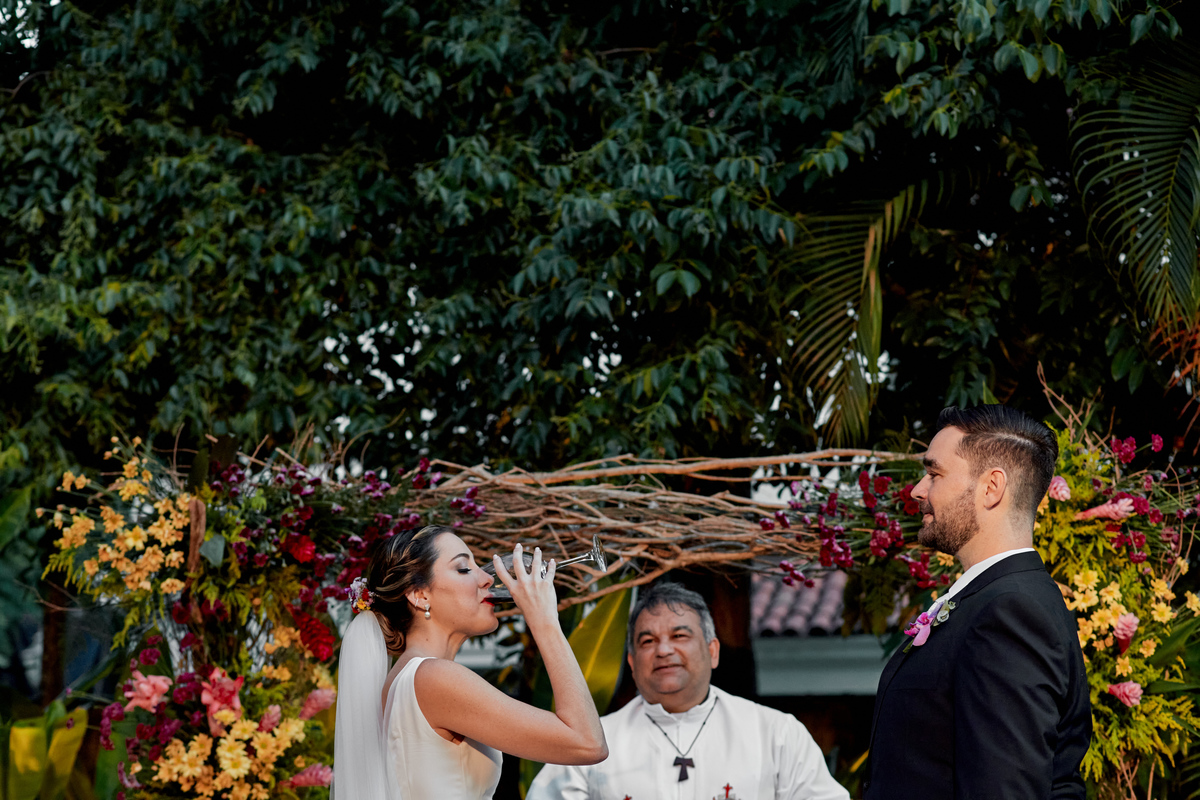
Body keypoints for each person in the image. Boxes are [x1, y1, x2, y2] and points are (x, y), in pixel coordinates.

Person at [864, 405, 1091, 799]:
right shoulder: (991, 599)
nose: (918, 489)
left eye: (934, 473)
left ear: (991, 487)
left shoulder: (1010, 614)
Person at [332, 525, 607, 799]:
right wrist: (545, 621)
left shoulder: (402, 679)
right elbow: (588, 743)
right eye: (463, 569)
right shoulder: (434, 678)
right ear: (420, 595)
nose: (487, 579)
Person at [528, 581, 849, 800]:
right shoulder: (587, 748)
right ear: (631, 661)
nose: (663, 650)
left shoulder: (776, 734)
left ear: (712, 651)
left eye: (679, 636)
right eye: (647, 641)